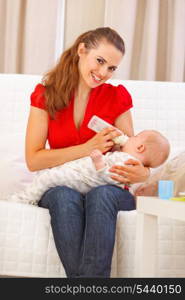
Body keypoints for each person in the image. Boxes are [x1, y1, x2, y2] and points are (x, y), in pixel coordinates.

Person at [25, 27, 150, 278]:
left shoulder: (117, 97)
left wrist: (143, 174)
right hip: (64, 185)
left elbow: (133, 155)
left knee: (102, 194)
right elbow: (34, 159)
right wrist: (85, 149)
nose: (103, 73)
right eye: (100, 61)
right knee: (62, 195)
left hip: (108, 188)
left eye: (112, 68)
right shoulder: (46, 95)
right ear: (82, 50)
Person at [10, 129, 170, 205]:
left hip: (83, 178)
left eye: (134, 137)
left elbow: (110, 176)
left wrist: (100, 162)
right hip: (81, 174)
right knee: (50, 175)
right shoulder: (124, 158)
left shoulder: (126, 160)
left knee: (49, 178)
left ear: (140, 148)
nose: (129, 137)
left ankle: (25, 199)